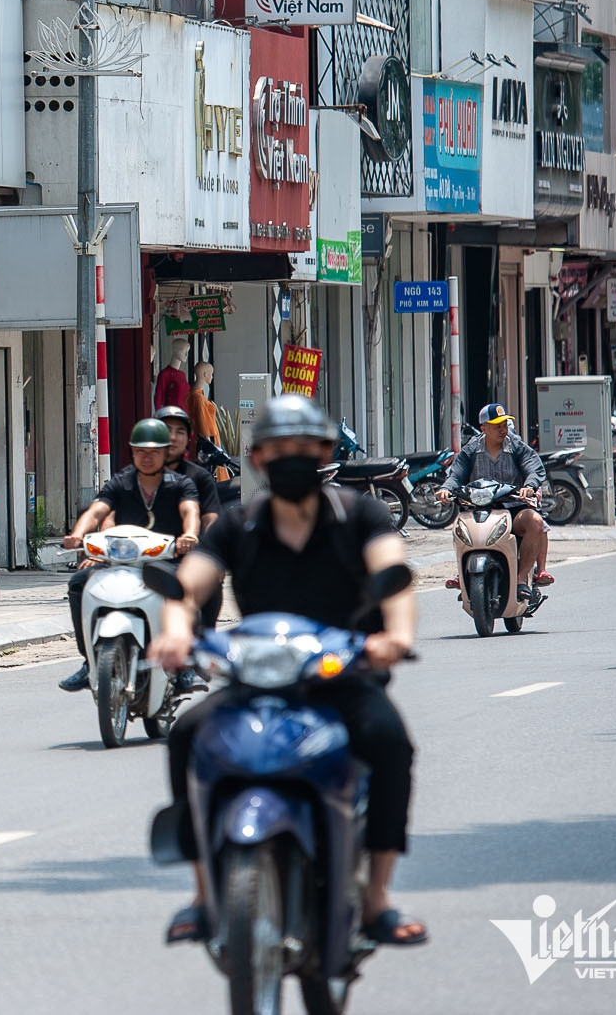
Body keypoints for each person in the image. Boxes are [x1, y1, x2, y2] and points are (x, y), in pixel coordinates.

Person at [149, 395, 426, 948]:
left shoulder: (360, 515)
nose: (293, 458)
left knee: (390, 743)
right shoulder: (238, 524)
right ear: (257, 458)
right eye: (281, 450)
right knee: (185, 735)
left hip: (343, 675)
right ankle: (205, 895)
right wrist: (176, 632)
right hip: (257, 678)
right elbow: (187, 587)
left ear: (326, 453)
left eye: (305, 448)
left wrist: (395, 636)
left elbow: (393, 573)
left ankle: (376, 900)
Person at [58, 418, 201, 692]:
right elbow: (97, 511)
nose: (146, 458)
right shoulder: (121, 483)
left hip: (165, 560)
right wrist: (78, 534)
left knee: (186, 589)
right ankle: (89, 660)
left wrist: (190, 535)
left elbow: (190, 512)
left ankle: (186, 664)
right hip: (122, 560)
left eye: (153, 452)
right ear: (132, 452)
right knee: (78, 583)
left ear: (165, 452)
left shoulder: (181, 484)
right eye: (140, 451)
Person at [436, 403, 552, 608]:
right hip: (479, 510)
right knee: (460, 525)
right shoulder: (471, 449)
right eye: (496, 425)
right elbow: (456, 475)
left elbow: (533, 468)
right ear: (484, 428)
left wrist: (529, 485)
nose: (503, 429)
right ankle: (462, 575)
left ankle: (521, 579)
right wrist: (446, 489)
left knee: (535, 521)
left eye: (505, 423)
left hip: (513, 509)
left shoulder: (516, 446)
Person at [156, 404, 224, 634]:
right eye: (166, 430)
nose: (172, 438)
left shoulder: (199, 477)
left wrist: (210, 552)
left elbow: (211, 517)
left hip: (185, 556)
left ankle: (204, 638)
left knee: (210, 578)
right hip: (139, 555)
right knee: (82, 583)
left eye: (180, 432)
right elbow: (109, 511)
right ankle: (91, 661)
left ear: (188, 439)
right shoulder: (132, 475)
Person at [188, 362, 221, 454]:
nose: (212, 377)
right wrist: (208, 444)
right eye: (211, 374)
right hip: (207, 439)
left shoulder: (195, 395)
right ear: (205, 374)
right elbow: (201, 422)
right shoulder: (198, 398)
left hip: (208, 438)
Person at [155, 340, 192, 415]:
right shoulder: (165, 374)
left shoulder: (182, 375)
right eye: (183, 351)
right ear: (175, 350)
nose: (186, 355)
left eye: (187, 352)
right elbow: (159, 398)